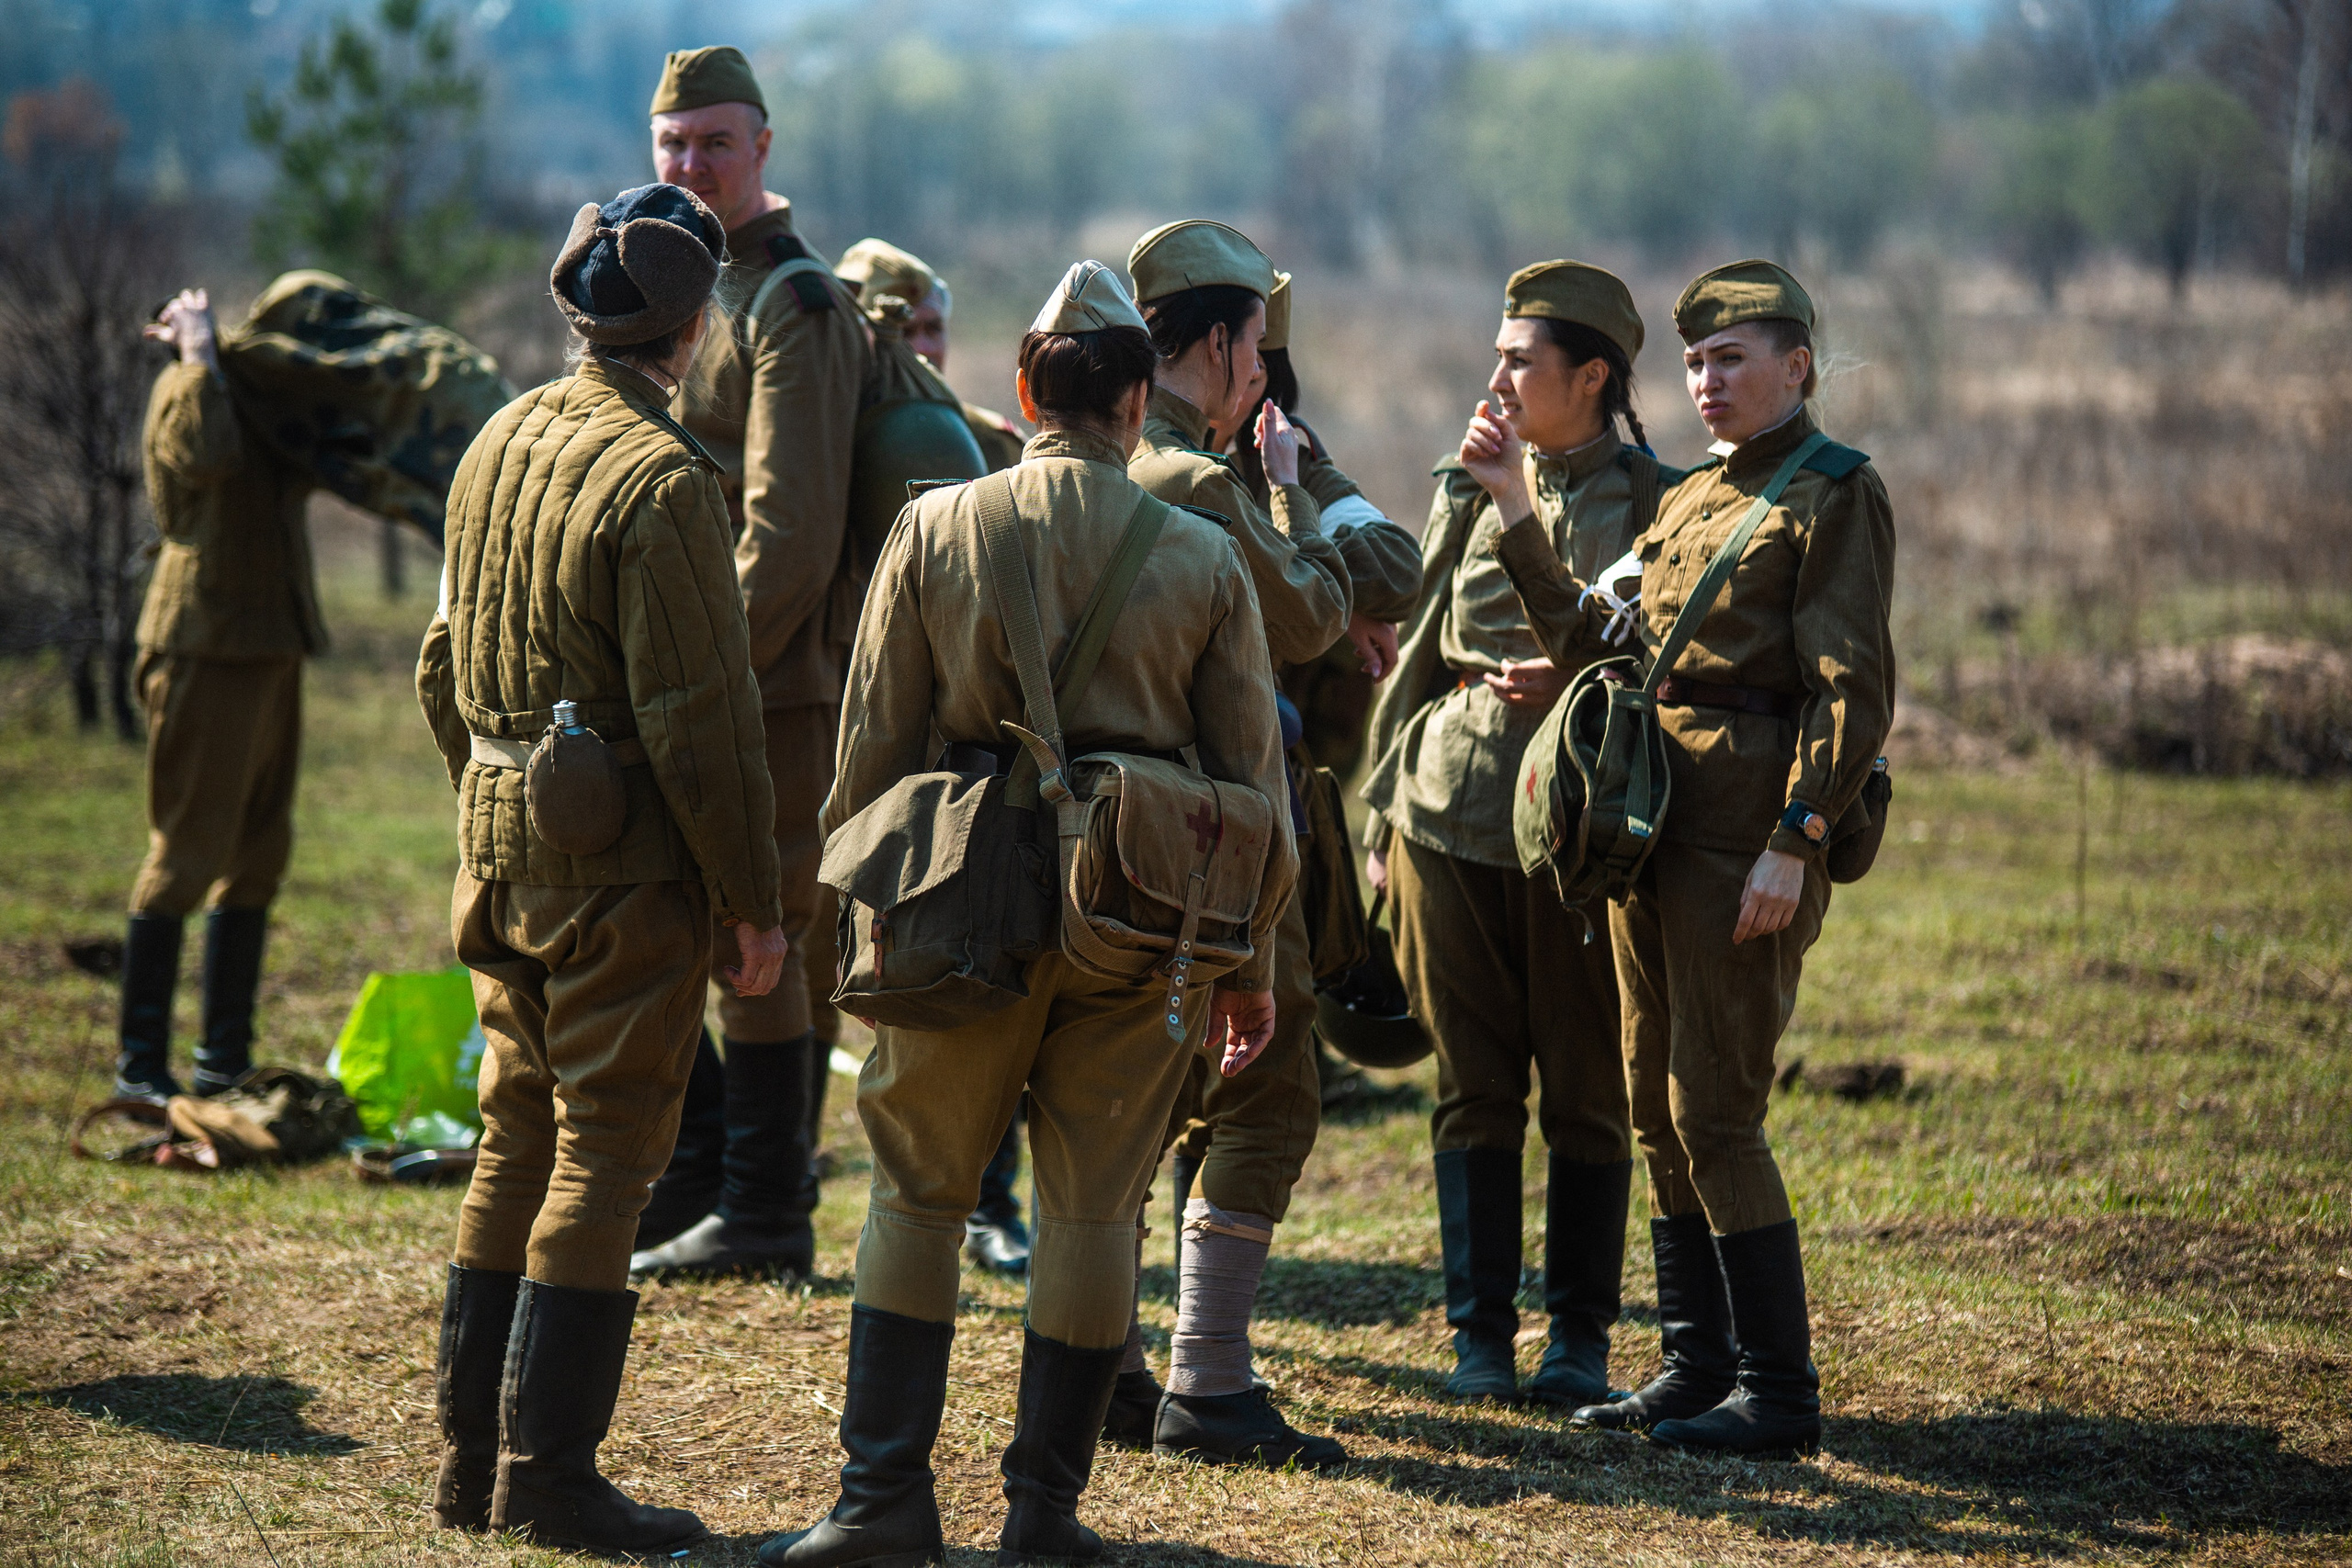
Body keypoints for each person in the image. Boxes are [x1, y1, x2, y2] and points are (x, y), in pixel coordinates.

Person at [762, 261, 1294, 1568]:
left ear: (1022, 388)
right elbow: (1254, 790)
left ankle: (881, 1505)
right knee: (1094, 1213)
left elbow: (868, 753)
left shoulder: (934, 528)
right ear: (1135, 400)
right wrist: (1249, 962)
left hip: (956, 915)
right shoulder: (1204, 555)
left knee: (917, 1198)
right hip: (1144, 925)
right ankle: (1044, 1518)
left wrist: (863, 915)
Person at [413, 184, 790, 1554]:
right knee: (608, 1149)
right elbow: (703, 722)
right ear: (695, 328)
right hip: (621, 874)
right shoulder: (664, 480)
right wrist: (753, 905)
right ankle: (549, 1478)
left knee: (514, 1135)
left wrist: (498, 787)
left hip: (495, 848)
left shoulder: (497, 438)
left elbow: (442, 667)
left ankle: (470, 1465)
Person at [1488, 260, 1895, 1458]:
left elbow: (1850, 688)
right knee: (1652, 1104)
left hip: (1743, 841)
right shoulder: (1692, 496)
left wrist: (1796, 839)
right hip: (1649, 835)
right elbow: (1599, 642)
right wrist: (1512, 512)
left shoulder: (1833, 492)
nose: (1706, 381)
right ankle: (1694, 1364)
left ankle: (1778, 1391)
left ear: (1797, 368)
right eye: (1696, 362)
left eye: (1731, 359)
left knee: (1716, 1110)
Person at [1121, 243, 1416, 1470]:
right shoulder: (1204, 479)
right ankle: (1207, 1381)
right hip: (1224, 828)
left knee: (1130, 1091)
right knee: (1267, 1086)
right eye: (1254, 346)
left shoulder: (1100, 456)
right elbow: (1310, 609)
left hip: (1119, 833)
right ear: (1227, 344)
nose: (1261, 370)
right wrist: (1290, 488)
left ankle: (1105, 1363)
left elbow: (1380, 579)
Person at [1359, 261, 1668, 1408]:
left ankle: (1578, 1340)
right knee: (1472, 1087)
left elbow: (1661, 657)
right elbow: (1417, 645)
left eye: (1519, 360)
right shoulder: (1465, 478)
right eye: (1495, 356)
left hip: (1583, 837)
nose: (1496, 378)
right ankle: (1478, 1340)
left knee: (1586, 1090)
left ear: (1589, 377)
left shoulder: (1660, 500)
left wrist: (1590, 674)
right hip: (1448, 814)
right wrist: (1381, 809)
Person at [628, 46, 870, 1282]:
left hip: (773, 681)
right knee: (697, 926)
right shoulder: (684, 284)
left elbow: (791, 537)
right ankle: (717, 1183)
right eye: (673, 144)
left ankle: (767, 1209)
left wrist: (698, 673)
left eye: (714, 142)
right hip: (709, 667)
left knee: (760, 932)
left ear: (762, 148)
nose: (691, 165)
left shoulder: (794, 303)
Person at [110, 288, 322, 1103]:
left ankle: (221, 1059)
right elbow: (203, 454)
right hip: (204, 644)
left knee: (260, 852)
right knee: (186, 853)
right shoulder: (184, 388)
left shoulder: (251, 398)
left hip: (270, 641)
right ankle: (139, 1068)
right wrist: (196, 353)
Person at [837, 236, 1029, 472]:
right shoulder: (826, 442)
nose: (923, 349)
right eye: (904, 333)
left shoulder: (992, 442)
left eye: (934, 328)